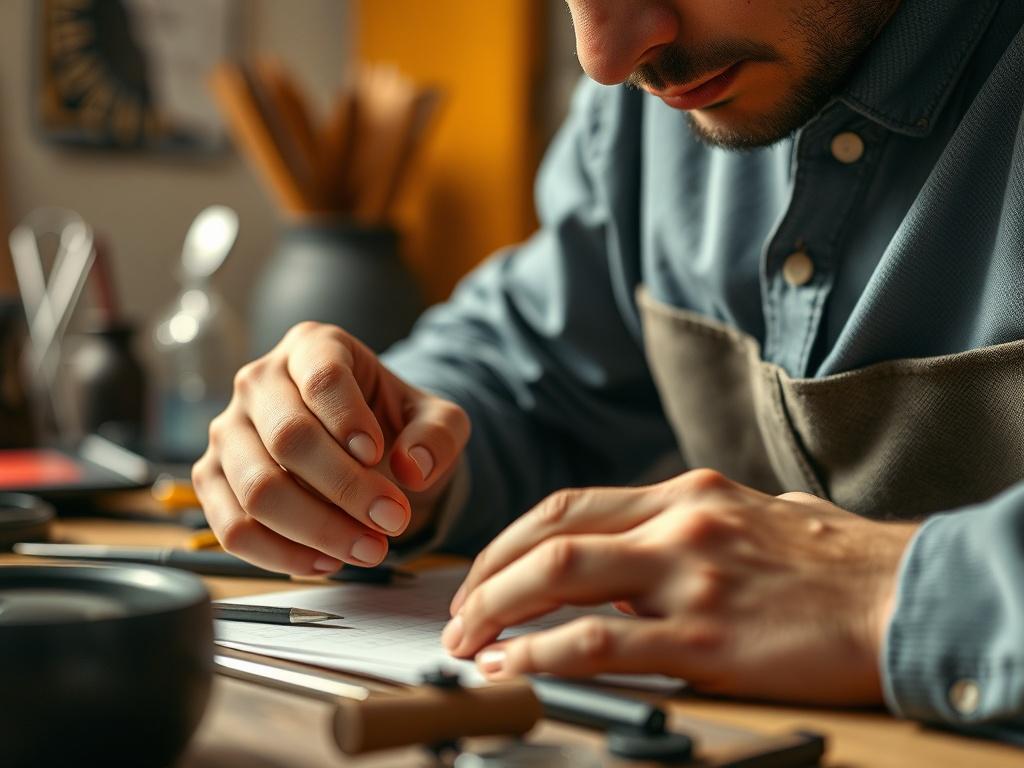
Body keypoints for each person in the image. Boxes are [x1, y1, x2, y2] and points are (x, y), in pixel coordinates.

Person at [193, 0, 1024, 738]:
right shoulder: (658, 103)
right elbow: (534, 363)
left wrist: (890, 593)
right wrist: (371, 445)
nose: (605, 58)